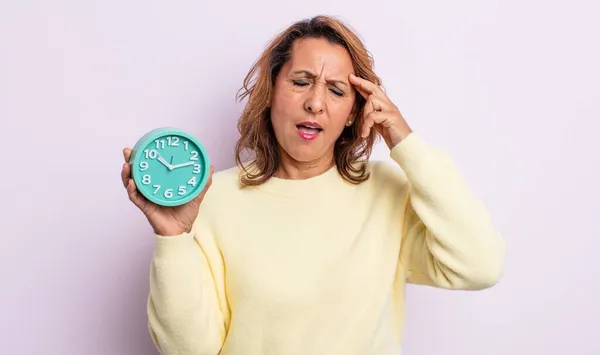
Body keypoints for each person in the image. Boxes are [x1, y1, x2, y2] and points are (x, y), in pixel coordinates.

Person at [120, 15, 505, 355]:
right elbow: (191, 351)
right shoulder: (211, 199)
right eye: (301, 82)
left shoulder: (385, 190)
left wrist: (404, 141)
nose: (315, 103)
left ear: (355, 110)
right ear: (270, 92)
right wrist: (172, 237)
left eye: (336, 90)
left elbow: (479, 266)